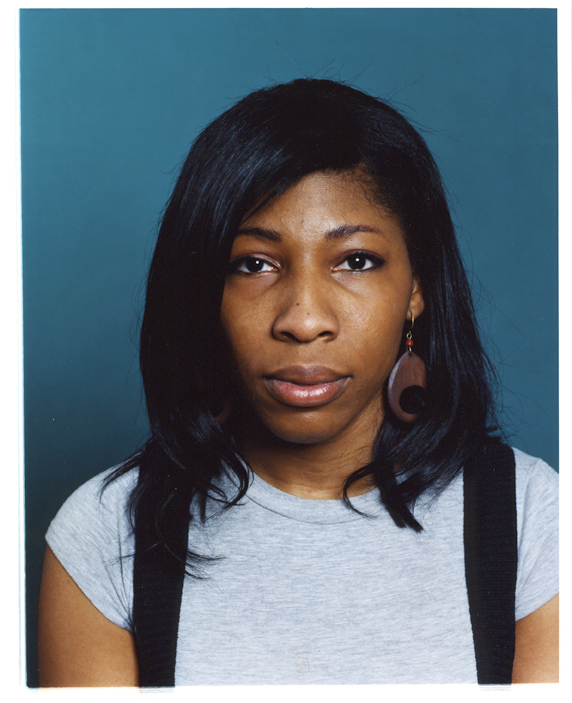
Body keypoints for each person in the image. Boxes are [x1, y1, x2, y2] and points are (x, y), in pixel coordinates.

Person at [38, 78, 558, 686]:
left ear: (416, 289)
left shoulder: (534, 520)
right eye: (254, 264)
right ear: (205, 291)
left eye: (355, 261)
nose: (304, 320)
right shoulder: (105, 533)